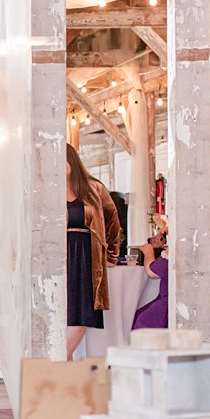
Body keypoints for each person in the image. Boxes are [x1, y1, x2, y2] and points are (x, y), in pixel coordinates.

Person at [65, 144, 122, 359]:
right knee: (64, 310)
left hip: (87, 255)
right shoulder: (46, 188)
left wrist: (111, 255)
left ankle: (63, 356)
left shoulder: (94, 188)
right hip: (61, 255)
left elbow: (112, 221)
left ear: (71, 162)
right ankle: (64, 362)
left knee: (84, 311)